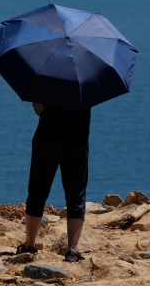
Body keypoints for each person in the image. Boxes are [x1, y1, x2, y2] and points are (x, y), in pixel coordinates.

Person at [16, 102, 91, 263]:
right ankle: (72, 251)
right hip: (77, 140)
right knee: (76, 195)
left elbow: (38, 109)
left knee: (37, 191)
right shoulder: (85, 85)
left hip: (46, 139)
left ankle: (29, 245)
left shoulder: (48, 79)